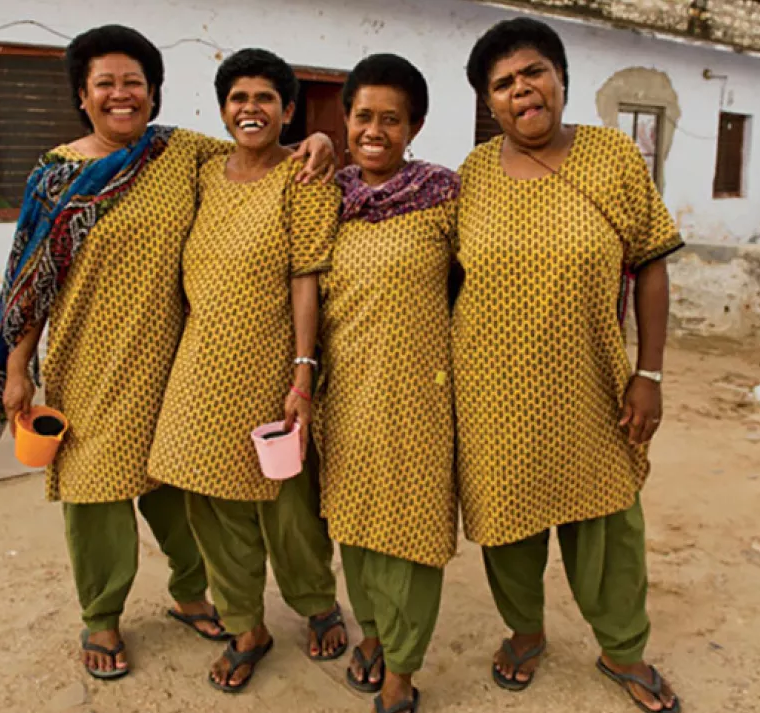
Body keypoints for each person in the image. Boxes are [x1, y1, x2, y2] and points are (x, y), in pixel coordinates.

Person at [0, 25, 335, 681]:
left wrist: (318, 140)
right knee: (96, 495)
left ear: (154, 92)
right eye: (106, 83)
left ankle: (191, 592)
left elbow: (258, 147)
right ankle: (100, 614)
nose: (121, 95)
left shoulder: (175, 152)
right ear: (83, 94)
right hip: (90, 361)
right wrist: (17, 365)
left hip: (177, 361)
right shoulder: (56, 176)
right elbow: (30, 278)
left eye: (134, 82)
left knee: (180, 492)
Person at [454, 17, 684, 713]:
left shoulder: (613, 157)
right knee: (508, 523)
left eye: (532, 72)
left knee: (610, 522)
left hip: (590, 385)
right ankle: (525, 631)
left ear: (561, 80)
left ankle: (623, 649)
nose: (521, 89)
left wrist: (650, 372)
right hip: (491, 391)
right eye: (502, 84)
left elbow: (649, 264)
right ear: (490, 104)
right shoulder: (471, 175)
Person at [145, 48, 346, 693]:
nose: (250, 109)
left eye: (265, 98)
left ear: (288, 109)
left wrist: (302, 372)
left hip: (273, 366)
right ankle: (246, 625)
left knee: (289, 505)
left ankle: (316, 603)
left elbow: (306, 277)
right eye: (238, 98)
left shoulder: (305, 177)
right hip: (200, 367)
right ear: (222, 108)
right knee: (209, 503)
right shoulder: (203, 169)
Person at [316, 53, 458, 713]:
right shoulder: (324, 194)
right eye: (363, 116)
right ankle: (371, 631)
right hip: (343, 392)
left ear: (415, 126)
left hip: (421, 391)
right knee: (356, 520)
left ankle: (402, 665)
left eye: (391, 119)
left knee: (415, 530)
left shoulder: (445, 196)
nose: (375, 130)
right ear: (346, 120)